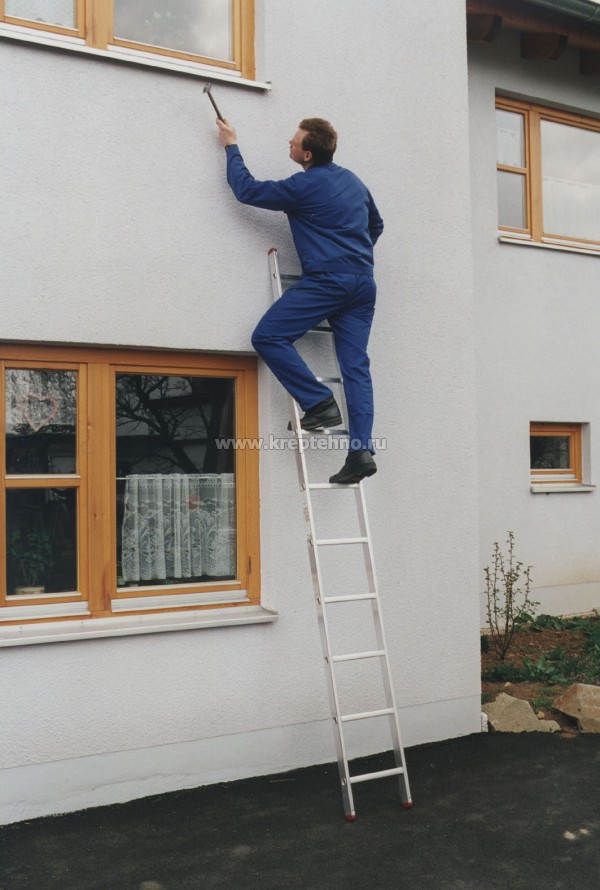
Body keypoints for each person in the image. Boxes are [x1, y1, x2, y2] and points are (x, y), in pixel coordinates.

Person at [216, 116, 383, 484]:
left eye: (294, 141)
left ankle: (319, 403)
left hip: (328, 281)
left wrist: (231, 145)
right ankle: (361, 451)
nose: (288, 143)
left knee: (267, 336)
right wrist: (352, 253)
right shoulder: (354, 182)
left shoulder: (303, 186)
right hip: (362, 284)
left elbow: (247, 190)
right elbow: (376, 226)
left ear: (307, 154)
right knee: (356, 367)